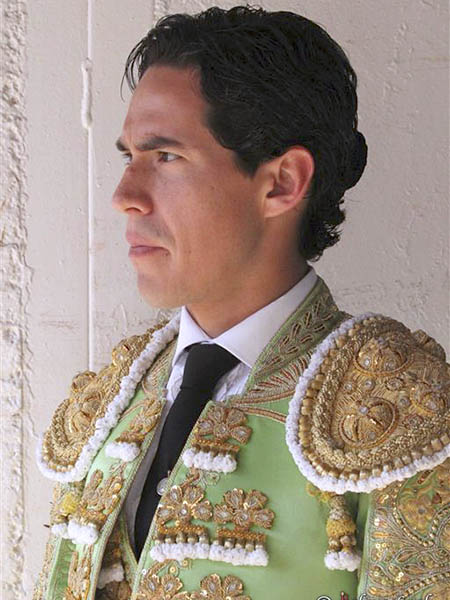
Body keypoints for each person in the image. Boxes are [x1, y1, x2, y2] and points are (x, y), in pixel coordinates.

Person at [33, 5, 449, 600]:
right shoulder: (112, 398)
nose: (125, 195)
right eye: (129, 158)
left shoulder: (403, 408)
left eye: (166, 156)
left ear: (281, 183)